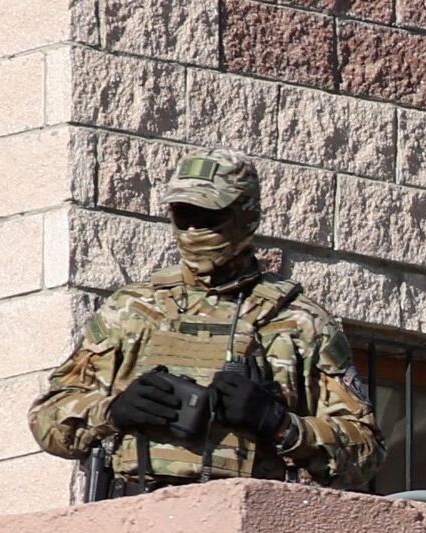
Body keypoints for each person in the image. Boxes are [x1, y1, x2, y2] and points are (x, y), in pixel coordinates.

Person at [30, 155, 376, 496]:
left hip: (245, 519)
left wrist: (279, 424)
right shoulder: (131, 311)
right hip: (135, 518)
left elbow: (366, 451)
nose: (194, 230)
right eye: (185, 216)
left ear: (247, 217)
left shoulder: (299, 322)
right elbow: (46, 419)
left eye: (209, 217)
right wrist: (113, 411)